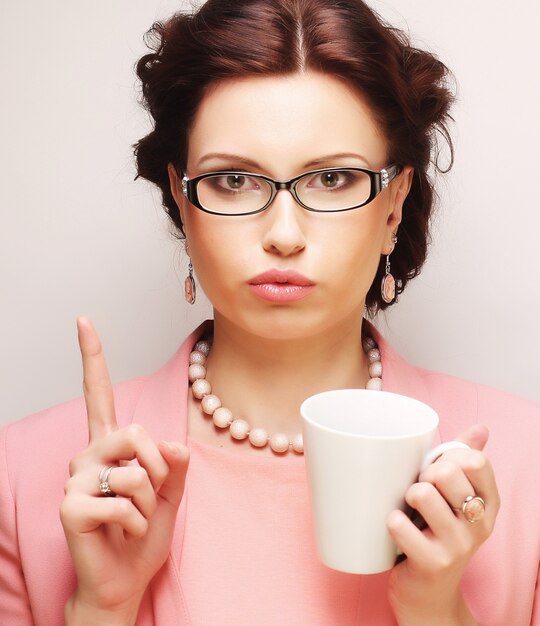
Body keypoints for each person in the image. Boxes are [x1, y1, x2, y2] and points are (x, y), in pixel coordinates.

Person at [1, 0, 538, 624]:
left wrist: (437, 611)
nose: (284, 233)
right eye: (234, 180)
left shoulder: (526, 463)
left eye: (332, 178)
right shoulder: (23, 475)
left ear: (394, 204)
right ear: (181, 197)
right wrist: (101, 607)